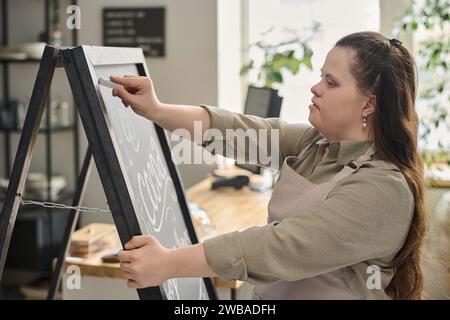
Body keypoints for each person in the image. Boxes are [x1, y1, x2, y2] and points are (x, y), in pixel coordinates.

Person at [112, 31, 427, 300]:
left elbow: (280, 247)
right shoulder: (315, 143)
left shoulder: (383, 188)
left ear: (369, 103)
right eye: (320, 76)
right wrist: (156, 110)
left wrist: (169, 263)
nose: (315, 88)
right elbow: (238, 131)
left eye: (331, 82)